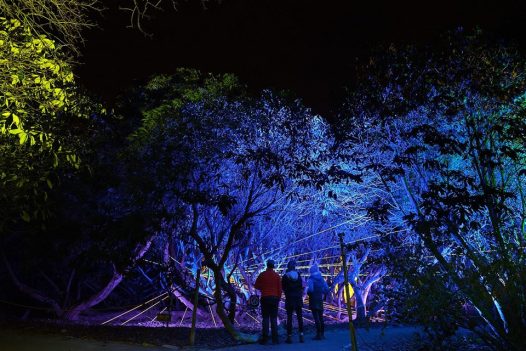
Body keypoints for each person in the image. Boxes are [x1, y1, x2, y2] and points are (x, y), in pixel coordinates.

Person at [254, 259, 282, 344]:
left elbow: (256, 285)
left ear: (267, 265)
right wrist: (278, 298)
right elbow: (280, 289)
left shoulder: (262, 275)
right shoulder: (277, 276)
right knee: (274, 318)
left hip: (265, 298)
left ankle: (265, 338)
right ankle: (275, 339)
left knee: (265, 318)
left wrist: (263, 288)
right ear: (273, 266)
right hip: (274, 298)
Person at [281, 260, 304, 343]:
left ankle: (289, 337)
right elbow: (301, 286)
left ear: (288, 267)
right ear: (294, 267)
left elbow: (283, 287)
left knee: (289, 318)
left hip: (289, 299)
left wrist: (287, 291)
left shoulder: (285, 276)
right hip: (298, 298)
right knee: (299, 317)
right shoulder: (299, 275)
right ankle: (301, 335)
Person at [307, 263, 329, 340]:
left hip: (313, 300)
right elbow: (326, 289)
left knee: (316, 318)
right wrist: (321, 292)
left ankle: (318, 334)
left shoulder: (310, 279)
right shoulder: (322, 279)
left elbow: (311, 290)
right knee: (321, 317)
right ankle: (322, 334)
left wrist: (307, 291)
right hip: (320, 299)